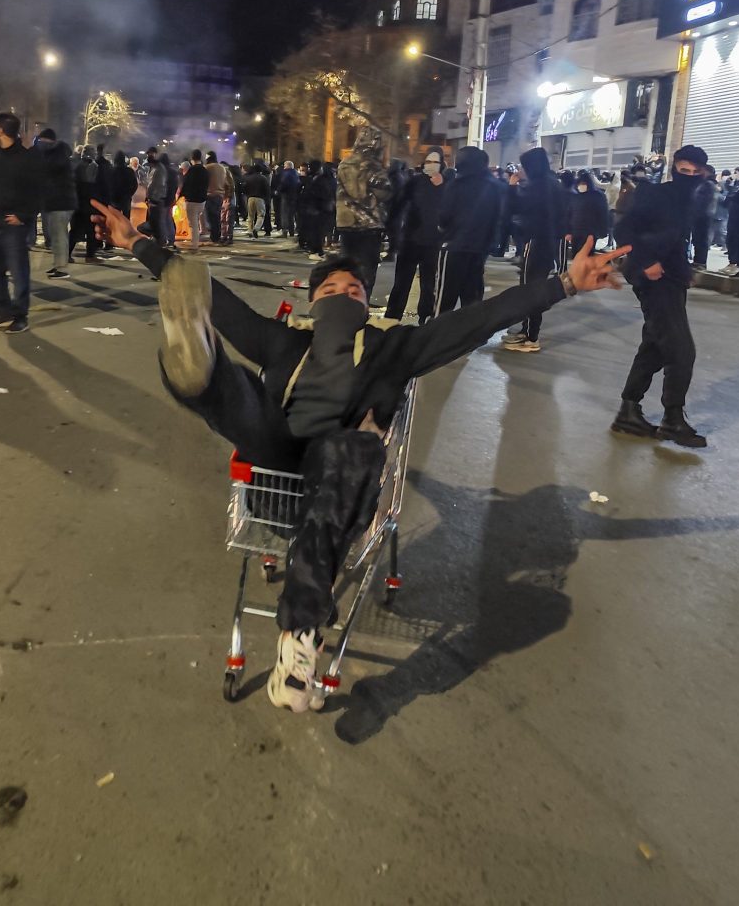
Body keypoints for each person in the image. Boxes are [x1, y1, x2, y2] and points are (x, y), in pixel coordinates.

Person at [88, 198, 630, 711]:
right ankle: (196, 367)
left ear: (367, 305)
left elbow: (476, 321)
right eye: (333, 288)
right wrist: (140, 244)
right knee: (243, 397)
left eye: (355, 290)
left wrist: (562, 284)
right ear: (313, 300)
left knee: (351, 448)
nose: (345, 294)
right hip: (277, 463)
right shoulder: (286, 342)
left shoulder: (397, 347)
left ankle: (297, 640)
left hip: (339, 479)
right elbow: (217, 301)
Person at [610, 144, 709, 447]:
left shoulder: (692, 199)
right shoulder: (655, 194)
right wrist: (646, 260)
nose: (689, 176)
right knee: (681, 350)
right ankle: (673, 419)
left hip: (673, 279)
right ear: (674, 168)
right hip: (653, 279)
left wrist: (685, 272)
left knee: (654, 345)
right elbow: (624, 230)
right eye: (684, 170)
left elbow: (678, 240)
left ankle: (629, 410)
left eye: (695, 172)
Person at [0, 112, 42, 333]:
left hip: (14, 226)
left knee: (18, 272)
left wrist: (23, 215)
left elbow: (38, 191)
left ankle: (20, 316)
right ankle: (3, 308)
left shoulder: (27, 159)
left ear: (2, 130)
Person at [500, 148, 563, 353]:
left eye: (524, 166)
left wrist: (511, 187)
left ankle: (531, 337)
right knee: (532, 287)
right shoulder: (553, 184)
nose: (521, 170)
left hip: (535, 243)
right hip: (547, 243)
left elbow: (513, 208)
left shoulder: (538, 188)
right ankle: (527, 330)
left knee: (530, 289)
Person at [384, 148, 453, 323]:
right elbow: (398, 204)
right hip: (410, 239)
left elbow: (453, 209)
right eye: (428, 161)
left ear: (442, 164)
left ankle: (426, 316)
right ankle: (392, 317)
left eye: (435, 162)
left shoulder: (448, 184)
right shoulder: (414, 182)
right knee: (401, 282)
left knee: (429, 283)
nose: (430, 165)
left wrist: (444, 184)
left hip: (433, 241)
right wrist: (391, 227)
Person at [440, 147, 502, 311]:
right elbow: (499, 218)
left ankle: (438, 333)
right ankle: (471, 334)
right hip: (480, 249)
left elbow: (444, 216)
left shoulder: (457, 185)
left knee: (445, 297)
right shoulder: (494, 186)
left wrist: (444, 231)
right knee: (472, 297)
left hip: (455, 246)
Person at [334, 126, 392, 293]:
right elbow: (385, 193)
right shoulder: (373, 166)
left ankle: (343, 305)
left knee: (346, 269)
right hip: (368, 227)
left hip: (345, 223)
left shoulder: (344, 163)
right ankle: (360, 306)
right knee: (366, 272)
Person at [34, 127, 76, 279]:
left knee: (59, 236)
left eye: (41, 140)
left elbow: (49, 171)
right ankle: (57, 264)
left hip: (61, 202)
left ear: (48, 141)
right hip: (55, 202)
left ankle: (61, 268)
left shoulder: (58, 154)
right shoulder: (53, 153)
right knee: (56, 235)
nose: (39, 143)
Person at [567, 169, 610, 260]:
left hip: (590, 232)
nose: (580, 186)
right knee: (576, 256)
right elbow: (570, 213)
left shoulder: (597, 196)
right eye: (579, 184)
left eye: (583, 183)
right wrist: (568, 231)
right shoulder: (576, 196)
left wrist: (603, 231)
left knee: (587, 256)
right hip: (576, 231)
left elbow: (603, 214)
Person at [689, 165, 717, 270]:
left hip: (704, 216)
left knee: (702, 239)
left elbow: (704, 201)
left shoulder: (709, 184)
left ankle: (701, 262)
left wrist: (697, 211)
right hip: (699, 215)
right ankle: (697, 261)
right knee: (697, 239)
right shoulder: (702, 184)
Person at [180, 149, 208, 246]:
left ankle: (195, 244)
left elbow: (186, 184)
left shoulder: (191, 170)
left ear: (192, 158)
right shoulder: (205, 170)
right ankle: (195, 242)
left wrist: (181, 195)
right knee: (196, 221)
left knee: (193, 224)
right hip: (202, 201)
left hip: (192, 200)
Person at [243, 161, 271, 238]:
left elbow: (245, 188)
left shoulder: (249, 178)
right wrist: (267, 199)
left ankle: (250, 230)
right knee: (260, 215)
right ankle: (256, 228)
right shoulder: (263, 178)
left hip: (250, 198)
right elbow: (267, 190)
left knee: (250, 216)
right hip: (260, 199)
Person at [275, 160, 301, 238]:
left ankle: (285, 231)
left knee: (285, 214)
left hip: (286, 196)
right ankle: (292, 231)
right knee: (291, 215)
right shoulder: (296, 173)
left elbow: (283, 184)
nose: (284, 167)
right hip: (294, 196)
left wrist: (278, 191)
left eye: (285, 165)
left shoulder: (285, 173)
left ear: (287, 166)